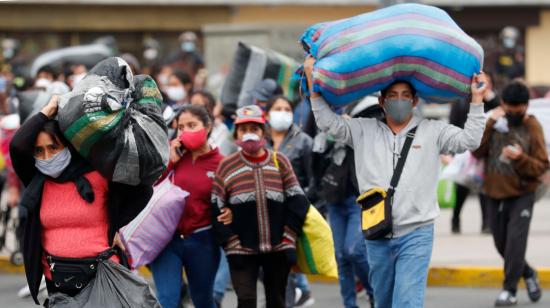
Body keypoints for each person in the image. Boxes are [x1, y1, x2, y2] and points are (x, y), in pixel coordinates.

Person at [304, 56, 488, 307]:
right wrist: (314, 84)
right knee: (384, 302)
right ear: (382, 101)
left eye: (404, 95)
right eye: (392, 95)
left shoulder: (433, 131)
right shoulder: (362, 130)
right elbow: (327, 122)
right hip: (376, 232)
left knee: (407, 303)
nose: (398, 100)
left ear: (414, 101)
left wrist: (477, 101)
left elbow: (470, 140)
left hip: (417, 232)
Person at [9, 96, 152, 306]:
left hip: (103, 277)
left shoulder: (99, 174)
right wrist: (46, 112)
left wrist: (115, 224)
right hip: (57, 281)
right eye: (39, 151)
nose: (47, 157)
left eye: (53, 147)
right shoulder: (37, 181)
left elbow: (143, 190)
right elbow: (17, 145)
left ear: (68, 146)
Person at [211, 105, 309, 308]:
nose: (249, 134)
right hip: (241, 250)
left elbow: (298, 200)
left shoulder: (279, 161)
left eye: (254, 129)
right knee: (246, 300)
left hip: (278, 248)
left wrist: (289, 238)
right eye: (243, 129)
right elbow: (216, 206)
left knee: (277, 301)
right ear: (236, 133)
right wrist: (231, 243)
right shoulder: (226, 166)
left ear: (263, 132)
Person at [472, 81, 547, 306]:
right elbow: (476, 152)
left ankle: (509, 289)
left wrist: (520, 158)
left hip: (523, 193)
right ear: (503, 104)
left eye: (519, 110)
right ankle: (529, 273)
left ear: (526, 106)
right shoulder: (494, 122)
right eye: (510, 109)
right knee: (500, 243)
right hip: (494, 193)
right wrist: (491, 123)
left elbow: (541, 165)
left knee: (515, 241)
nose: (514, 114)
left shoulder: (532, 126)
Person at [150, 104, 226, 308]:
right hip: (166, 239)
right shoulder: (169, 155)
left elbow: (229, 202)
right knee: (167, 300)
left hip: (202, 240)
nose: (185, 132)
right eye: (181, 127)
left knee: (202, 300)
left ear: (208, 126)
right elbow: (148, 188)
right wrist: (170, 162)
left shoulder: (221, 164)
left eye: (192, 125)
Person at [264, 95, 315, 307]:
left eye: (287, 108)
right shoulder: (260, 140)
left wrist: (303, 205)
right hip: (264, 213)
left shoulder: (304, 141)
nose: (282, 112)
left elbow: (313, 179)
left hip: (293, 214)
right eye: (278, 108)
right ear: (267, 113)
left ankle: (288, 299)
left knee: (285, 263)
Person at [448, 74, 500, 234]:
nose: (485, 85)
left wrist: (489, 95)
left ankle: (486, 223)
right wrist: (450, 153)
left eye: (488, 83)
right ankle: (455, 218)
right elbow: (453, 125)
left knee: (484, 188)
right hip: (465, 152)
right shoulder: (461, 102)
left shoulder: (492, 101)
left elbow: (501, 112)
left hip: (487, 152)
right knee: (462, 189)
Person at [190, 90, 236, 156]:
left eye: (197, 104)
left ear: (211, 107)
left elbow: (220, 154)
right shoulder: (187, 129)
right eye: (191, 104)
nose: (192, 108)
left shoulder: (221, 128)